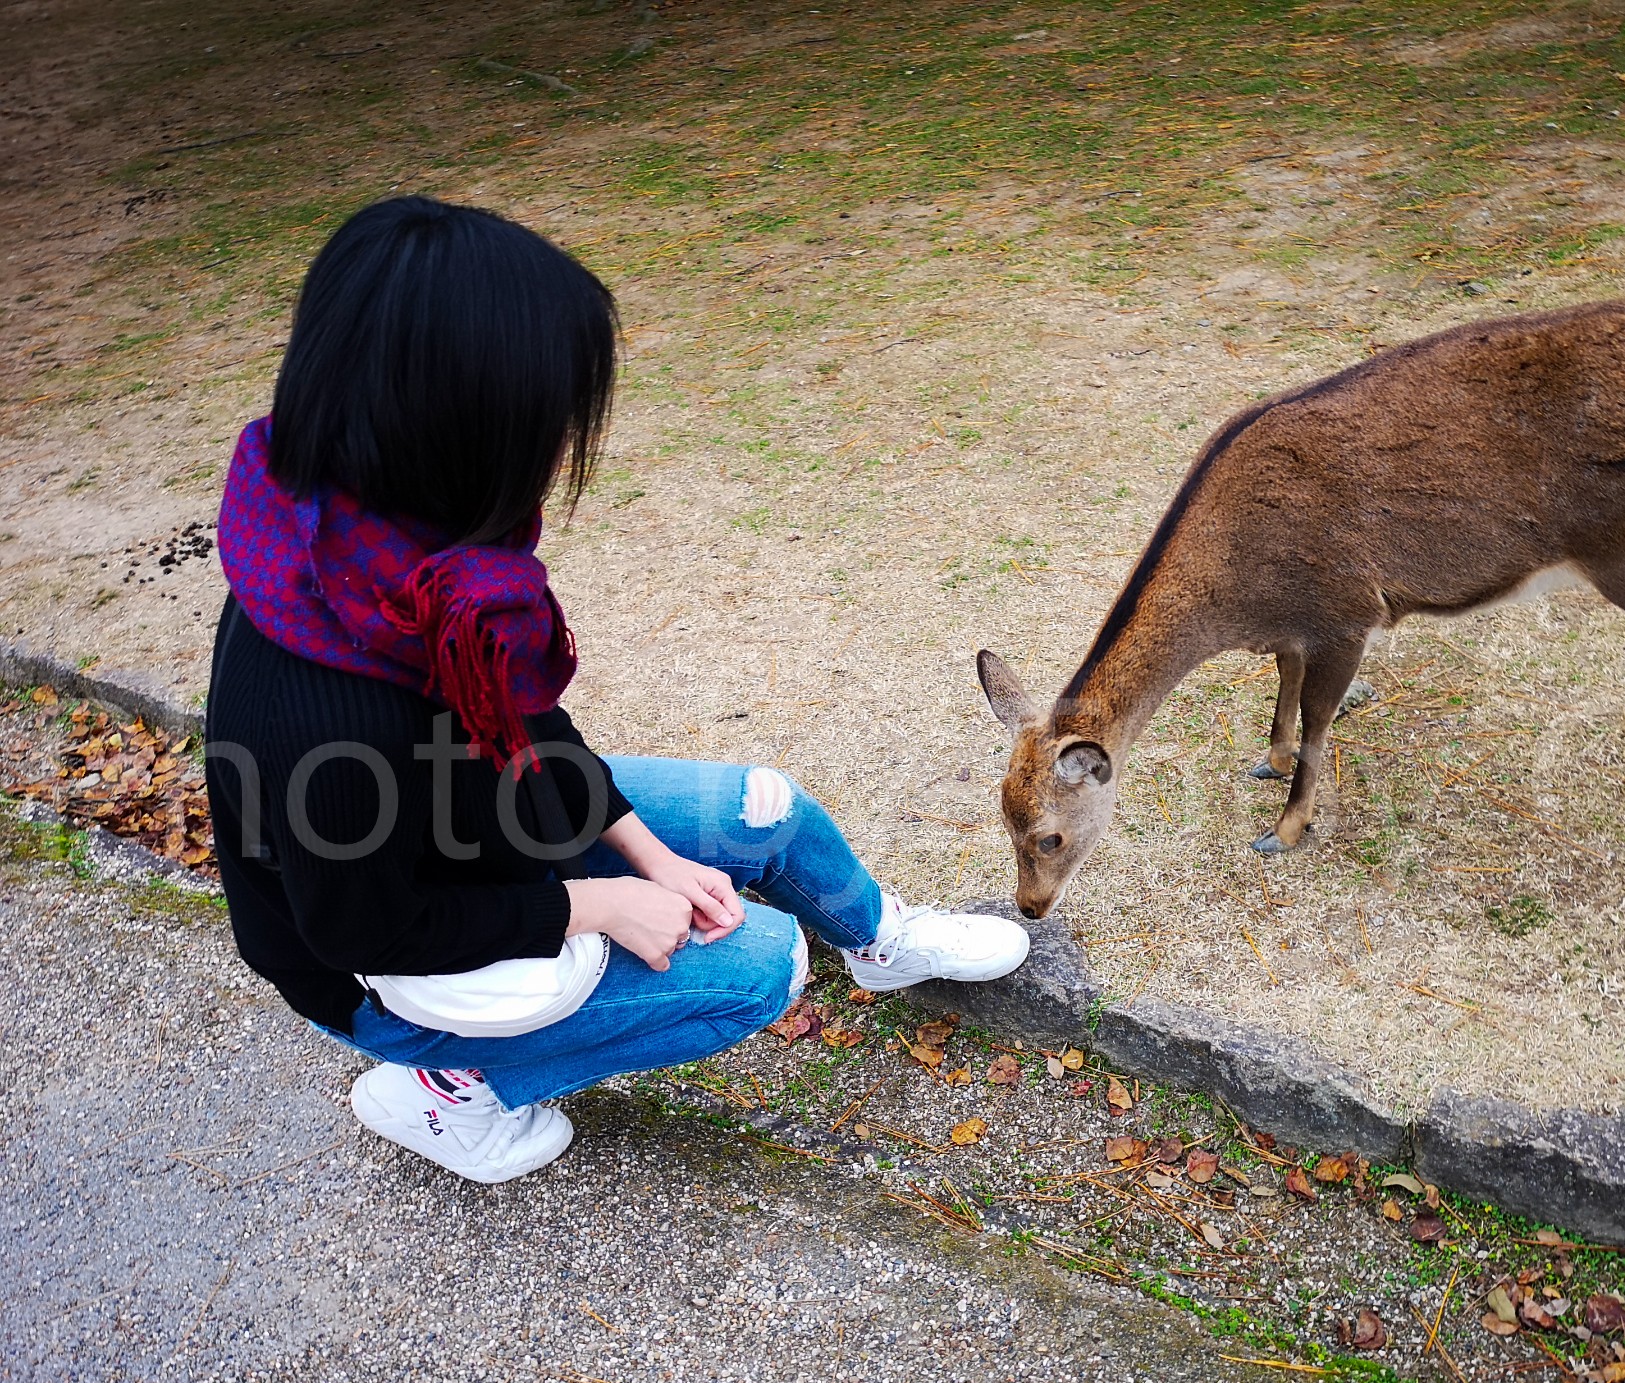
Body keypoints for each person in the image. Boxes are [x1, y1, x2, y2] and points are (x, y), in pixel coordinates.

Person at [204, 197, 1028, 1184]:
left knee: (763, 813)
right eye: (547, 417)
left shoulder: (377, 562)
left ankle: (879, 940)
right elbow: (364, 927)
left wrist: (642, 850)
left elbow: (523, 716)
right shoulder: (326, 715)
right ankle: (449, 1096)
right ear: (456, 429)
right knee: (759, 971)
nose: (560, 447)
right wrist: (595, 905)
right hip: (380, 963)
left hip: (466, 816)